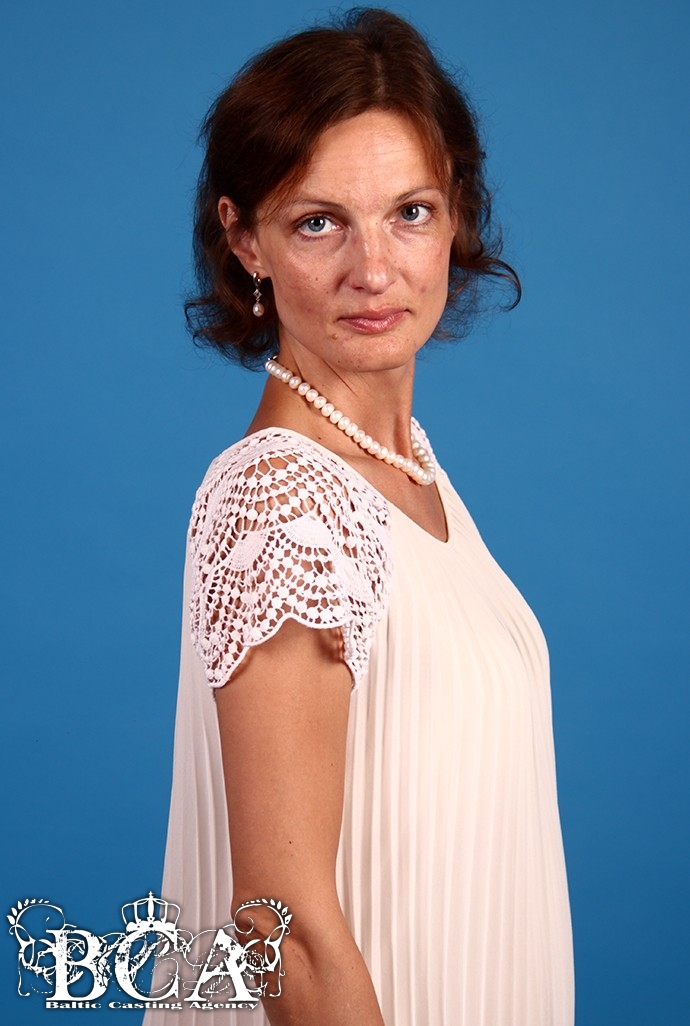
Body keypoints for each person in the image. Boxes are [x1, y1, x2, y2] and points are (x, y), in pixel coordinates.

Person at [145, 8, 574, 1025]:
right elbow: (284, 928)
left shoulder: (408, 470)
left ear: (456, 214)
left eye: (410, 212)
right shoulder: (284, 498)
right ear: (243, 238)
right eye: (318, 222)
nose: (373, 270)